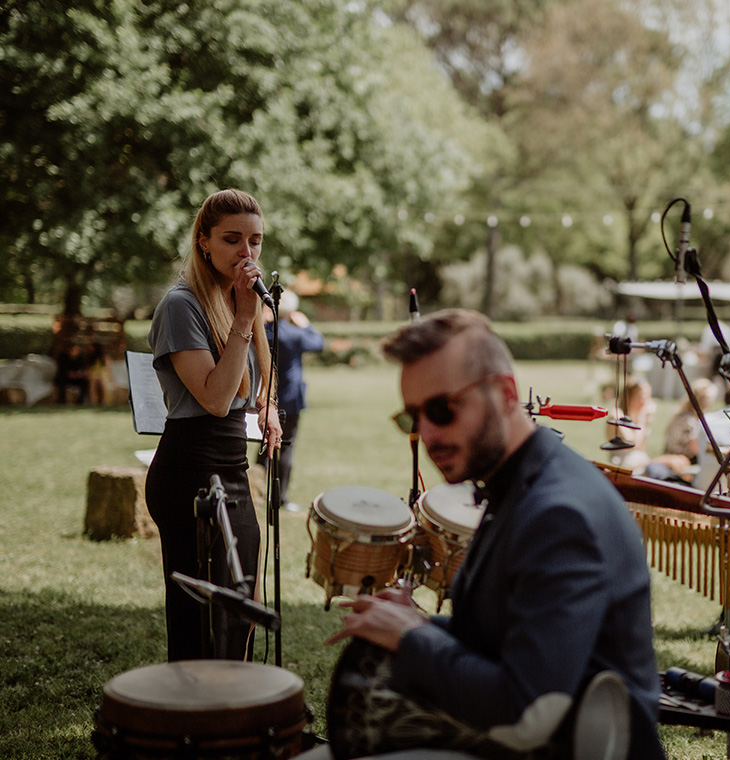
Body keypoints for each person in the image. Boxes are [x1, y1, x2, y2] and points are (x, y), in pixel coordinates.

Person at [311, 309, 665, 759]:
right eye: (413, 418)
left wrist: (411, 638)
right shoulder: (520, 482)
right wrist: (418, 623)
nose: (428, 433)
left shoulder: (559, 513)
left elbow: (526, 710)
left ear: (505, 393)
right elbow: (512, 637)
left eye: (442, 410)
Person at [144, 189, 283, 662]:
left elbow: (251, 382)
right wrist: (246, 315)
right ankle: (195, 724)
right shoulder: (182, 305)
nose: (247, 253)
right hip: (190, 473)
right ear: (204, 242)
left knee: (240, 608)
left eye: (256, 241)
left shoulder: (232, 299)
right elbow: (217, 398)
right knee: (201, 618)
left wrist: (269, 406)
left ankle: (234, 717)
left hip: (232, 469)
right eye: (232, 240)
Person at [257, 288, 324, 512]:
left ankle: (255, 490)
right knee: (285, 449)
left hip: (264, 397)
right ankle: (281, 497)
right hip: (290, 399)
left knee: (262, 446)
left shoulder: (263, 331)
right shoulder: (296, 334)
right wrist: (305, 324)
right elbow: (318, 343)